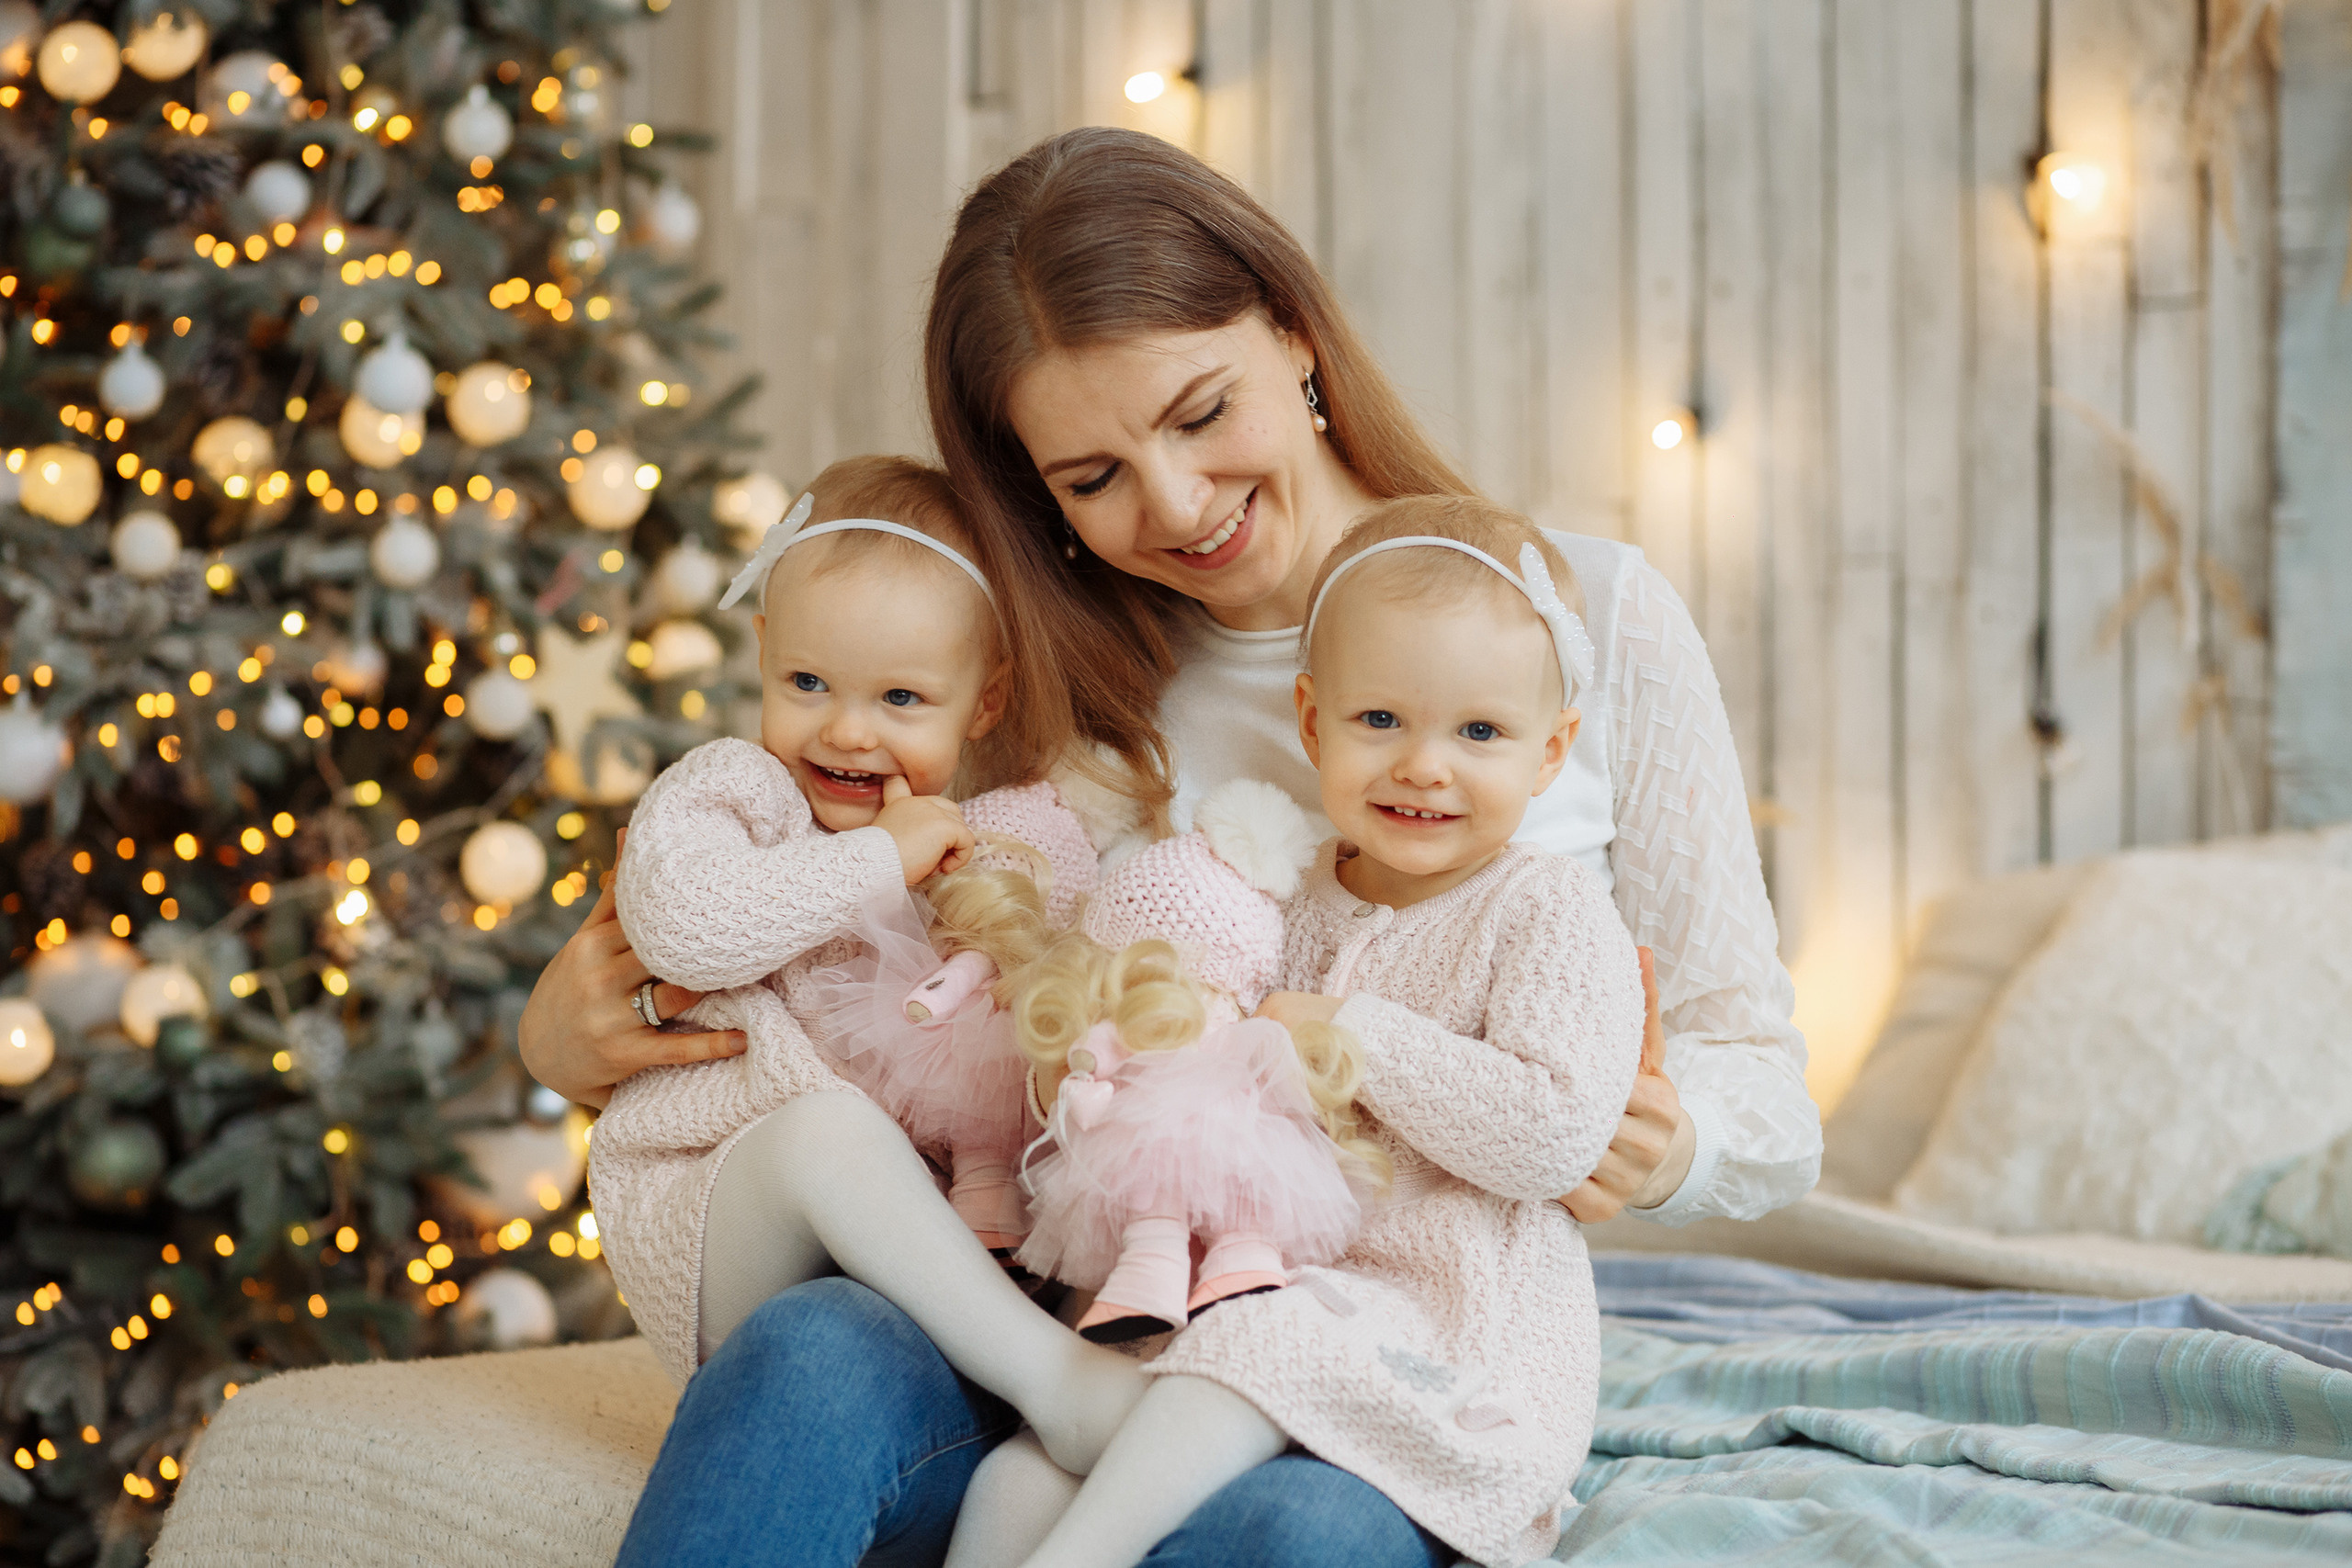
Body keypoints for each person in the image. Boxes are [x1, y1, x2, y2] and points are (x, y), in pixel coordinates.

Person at [523, 128, 1818, 1565]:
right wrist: (574, 1031)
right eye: (1094, 477)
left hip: (1389, 1329)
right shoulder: (1046, 679)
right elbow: (840, 945)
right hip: (1070, 1310)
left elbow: (1762, 1078)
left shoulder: (1582, 618)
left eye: (1203, 412)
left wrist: (1668, 1141)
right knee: (814, 1348)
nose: (1179, 502)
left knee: (1297, 1525)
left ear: (1296, 333)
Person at [993, 496, 1646, 1568]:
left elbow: (1555, 1133)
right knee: (1020, 1473)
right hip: (1241, 1303)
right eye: (1379, 720)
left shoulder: (1548, 911)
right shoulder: (1279, 907)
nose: (1424, 765)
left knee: (1263, 1351)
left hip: (1446, 1333)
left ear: (1550, 753)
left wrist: (1350, 1034)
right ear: (1311, 722)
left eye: (1480, 732)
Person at [593, 457, 1170, 1568]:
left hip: (917, 1275)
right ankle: (1060, 1387)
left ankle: (1027, 1385)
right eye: (809, 682)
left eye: (900, 700)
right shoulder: (731, 793)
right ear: (763, 651)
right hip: (720, 1215)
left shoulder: (988, 845)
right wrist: (874, 860)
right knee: (828, 1131)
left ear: (984, 701)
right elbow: (682, 930)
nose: (847, 733)